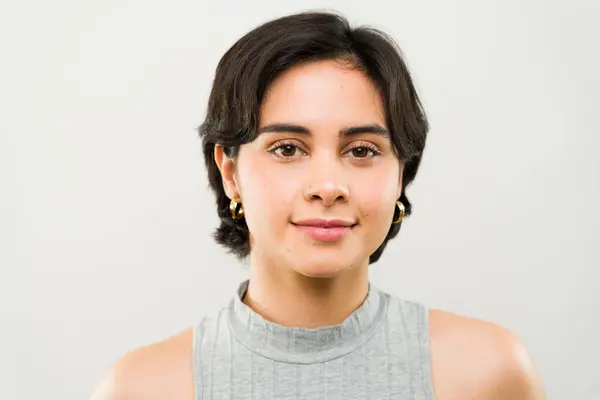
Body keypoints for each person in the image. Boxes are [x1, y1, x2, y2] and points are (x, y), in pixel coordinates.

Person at [90, 11, 545, 400]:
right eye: (287, 149)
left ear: (401, 172)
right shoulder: (142, 388)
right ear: (231, 173)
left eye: (362, 150)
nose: (328, 186)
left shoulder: (488, 374)